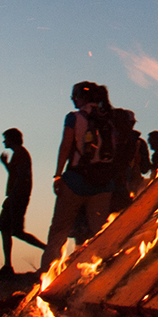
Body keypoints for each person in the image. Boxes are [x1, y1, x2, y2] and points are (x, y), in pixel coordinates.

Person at [45, 81, 121, 270]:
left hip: (76, 181)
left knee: (59, 230)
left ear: (82, 97)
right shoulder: (109, 119)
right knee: (100, 232)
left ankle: (47, 272)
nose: (73, 100)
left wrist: (57, 175)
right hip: (103, 183)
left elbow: (66, 146)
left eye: (74, 96)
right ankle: (105, 270)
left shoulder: (74, 118)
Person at [0, 128, 48, 274]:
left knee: (16, 231)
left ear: (12, 139)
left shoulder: (20, 154)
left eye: (6, 139)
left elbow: (21, 177)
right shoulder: (19, 154)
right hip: (15, 196)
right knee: (5, 229)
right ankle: (7, 266)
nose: (4, 142)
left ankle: (48, 249)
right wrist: (6, 164)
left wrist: (13, 197)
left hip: (17, 197)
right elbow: (15, 174)